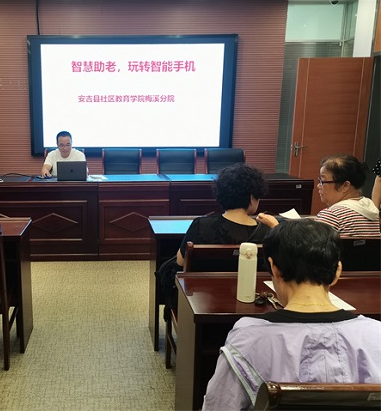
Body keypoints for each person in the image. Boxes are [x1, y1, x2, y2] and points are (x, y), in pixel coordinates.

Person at [201, 219, 381, 410]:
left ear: (274, 268)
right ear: (337, 271)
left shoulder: (247, 339)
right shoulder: (376, 334)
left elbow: (219, 405)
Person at [159, 163, 270, 319]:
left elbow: (180, 263)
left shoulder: (201, 225)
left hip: (201, 305)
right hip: (252, 306)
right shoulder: (267, 233)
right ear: (252, 198)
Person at [258, 154, 380, 237]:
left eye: (323, 181)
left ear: (345, 186)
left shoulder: (334, 215)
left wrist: (275, 226)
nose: (318, 186)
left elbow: (303, 249)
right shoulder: (371, 211)